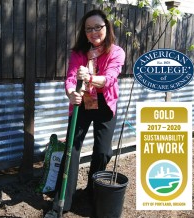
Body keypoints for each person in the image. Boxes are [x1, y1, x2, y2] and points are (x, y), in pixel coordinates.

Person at [44, 9, 125, 218]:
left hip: (105, 103)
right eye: (89, 28)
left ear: (106, 27)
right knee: (72, 149)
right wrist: (71, 93)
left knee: (103, 152)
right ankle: (63, 201)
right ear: (84, 32)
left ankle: (91, 192)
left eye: (98, 27)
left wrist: (89, 77)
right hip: (81, 102)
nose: (93, 32)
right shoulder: (79, 52)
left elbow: (110, 78)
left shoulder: (116, 52)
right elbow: (71, 78)